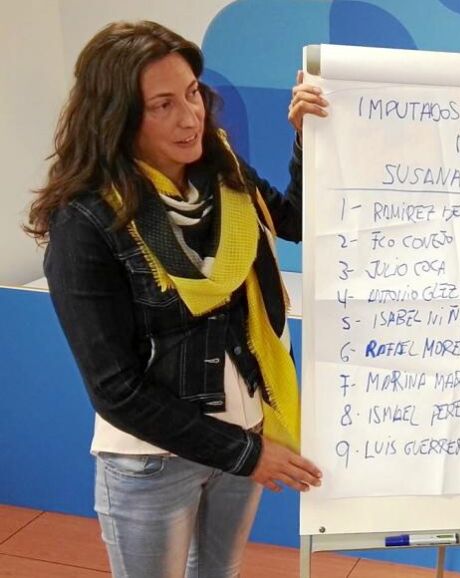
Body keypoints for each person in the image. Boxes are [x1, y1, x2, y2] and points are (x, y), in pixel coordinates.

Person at [25, 20, 329, 578]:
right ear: (117, 116)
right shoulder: (85, 223)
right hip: (153, 462)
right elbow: (115, 388)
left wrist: (308, 141)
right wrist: (246, 455)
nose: (190, 118)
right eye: (162, 105)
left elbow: (294, 221)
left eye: (191, 93)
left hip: (246, 429)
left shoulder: (224, 173)